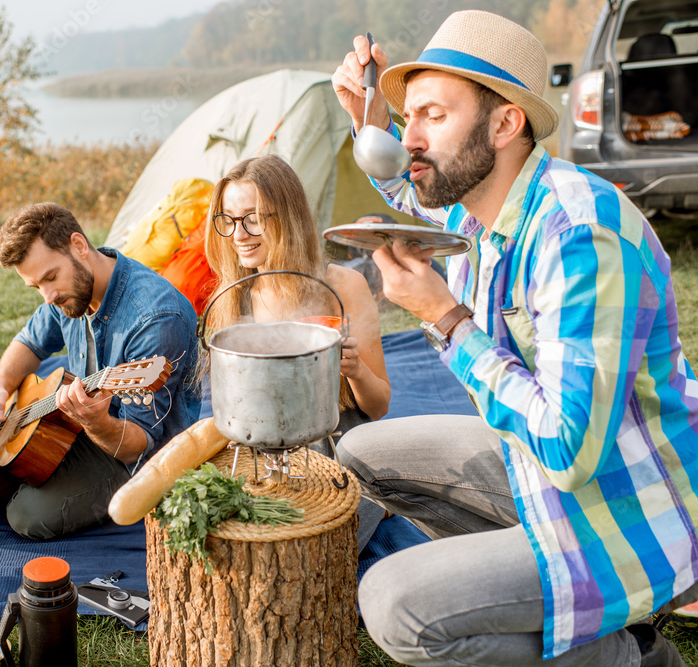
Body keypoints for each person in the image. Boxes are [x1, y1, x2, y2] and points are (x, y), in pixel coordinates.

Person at [331, 10, 698, 666]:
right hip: (546, 478)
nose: (409, 136)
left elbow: (567, 450)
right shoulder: (480, 205)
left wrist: (448, 320)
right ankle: (577, 613)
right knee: (361, 453)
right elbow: (415, 192)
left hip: (633, 512)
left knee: (394, 603)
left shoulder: (579, 235)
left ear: (505, 125)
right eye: (407, 117)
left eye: (432, 117)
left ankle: (628, 651)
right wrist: (369, 123)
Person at [0, 202, 200, 540]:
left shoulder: (155, 318)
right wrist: (0, 388)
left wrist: (96, 422)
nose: (47, 297)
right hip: (76, 410)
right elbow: (30, 343)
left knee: (26, 515)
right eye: (36, 287)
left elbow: (136, 446)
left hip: (132, 457)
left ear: (79, 246)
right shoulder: (68, 292)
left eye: (50, 278)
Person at [203, 154, 391, 545]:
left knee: (312, 540)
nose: (239, 234)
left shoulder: (343, 287)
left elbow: (379, 406)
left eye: (253, 218)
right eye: (229, 220)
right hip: (264, 445)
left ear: (287, 219)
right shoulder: (233, 297)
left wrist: (354, 370)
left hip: (339, 441)